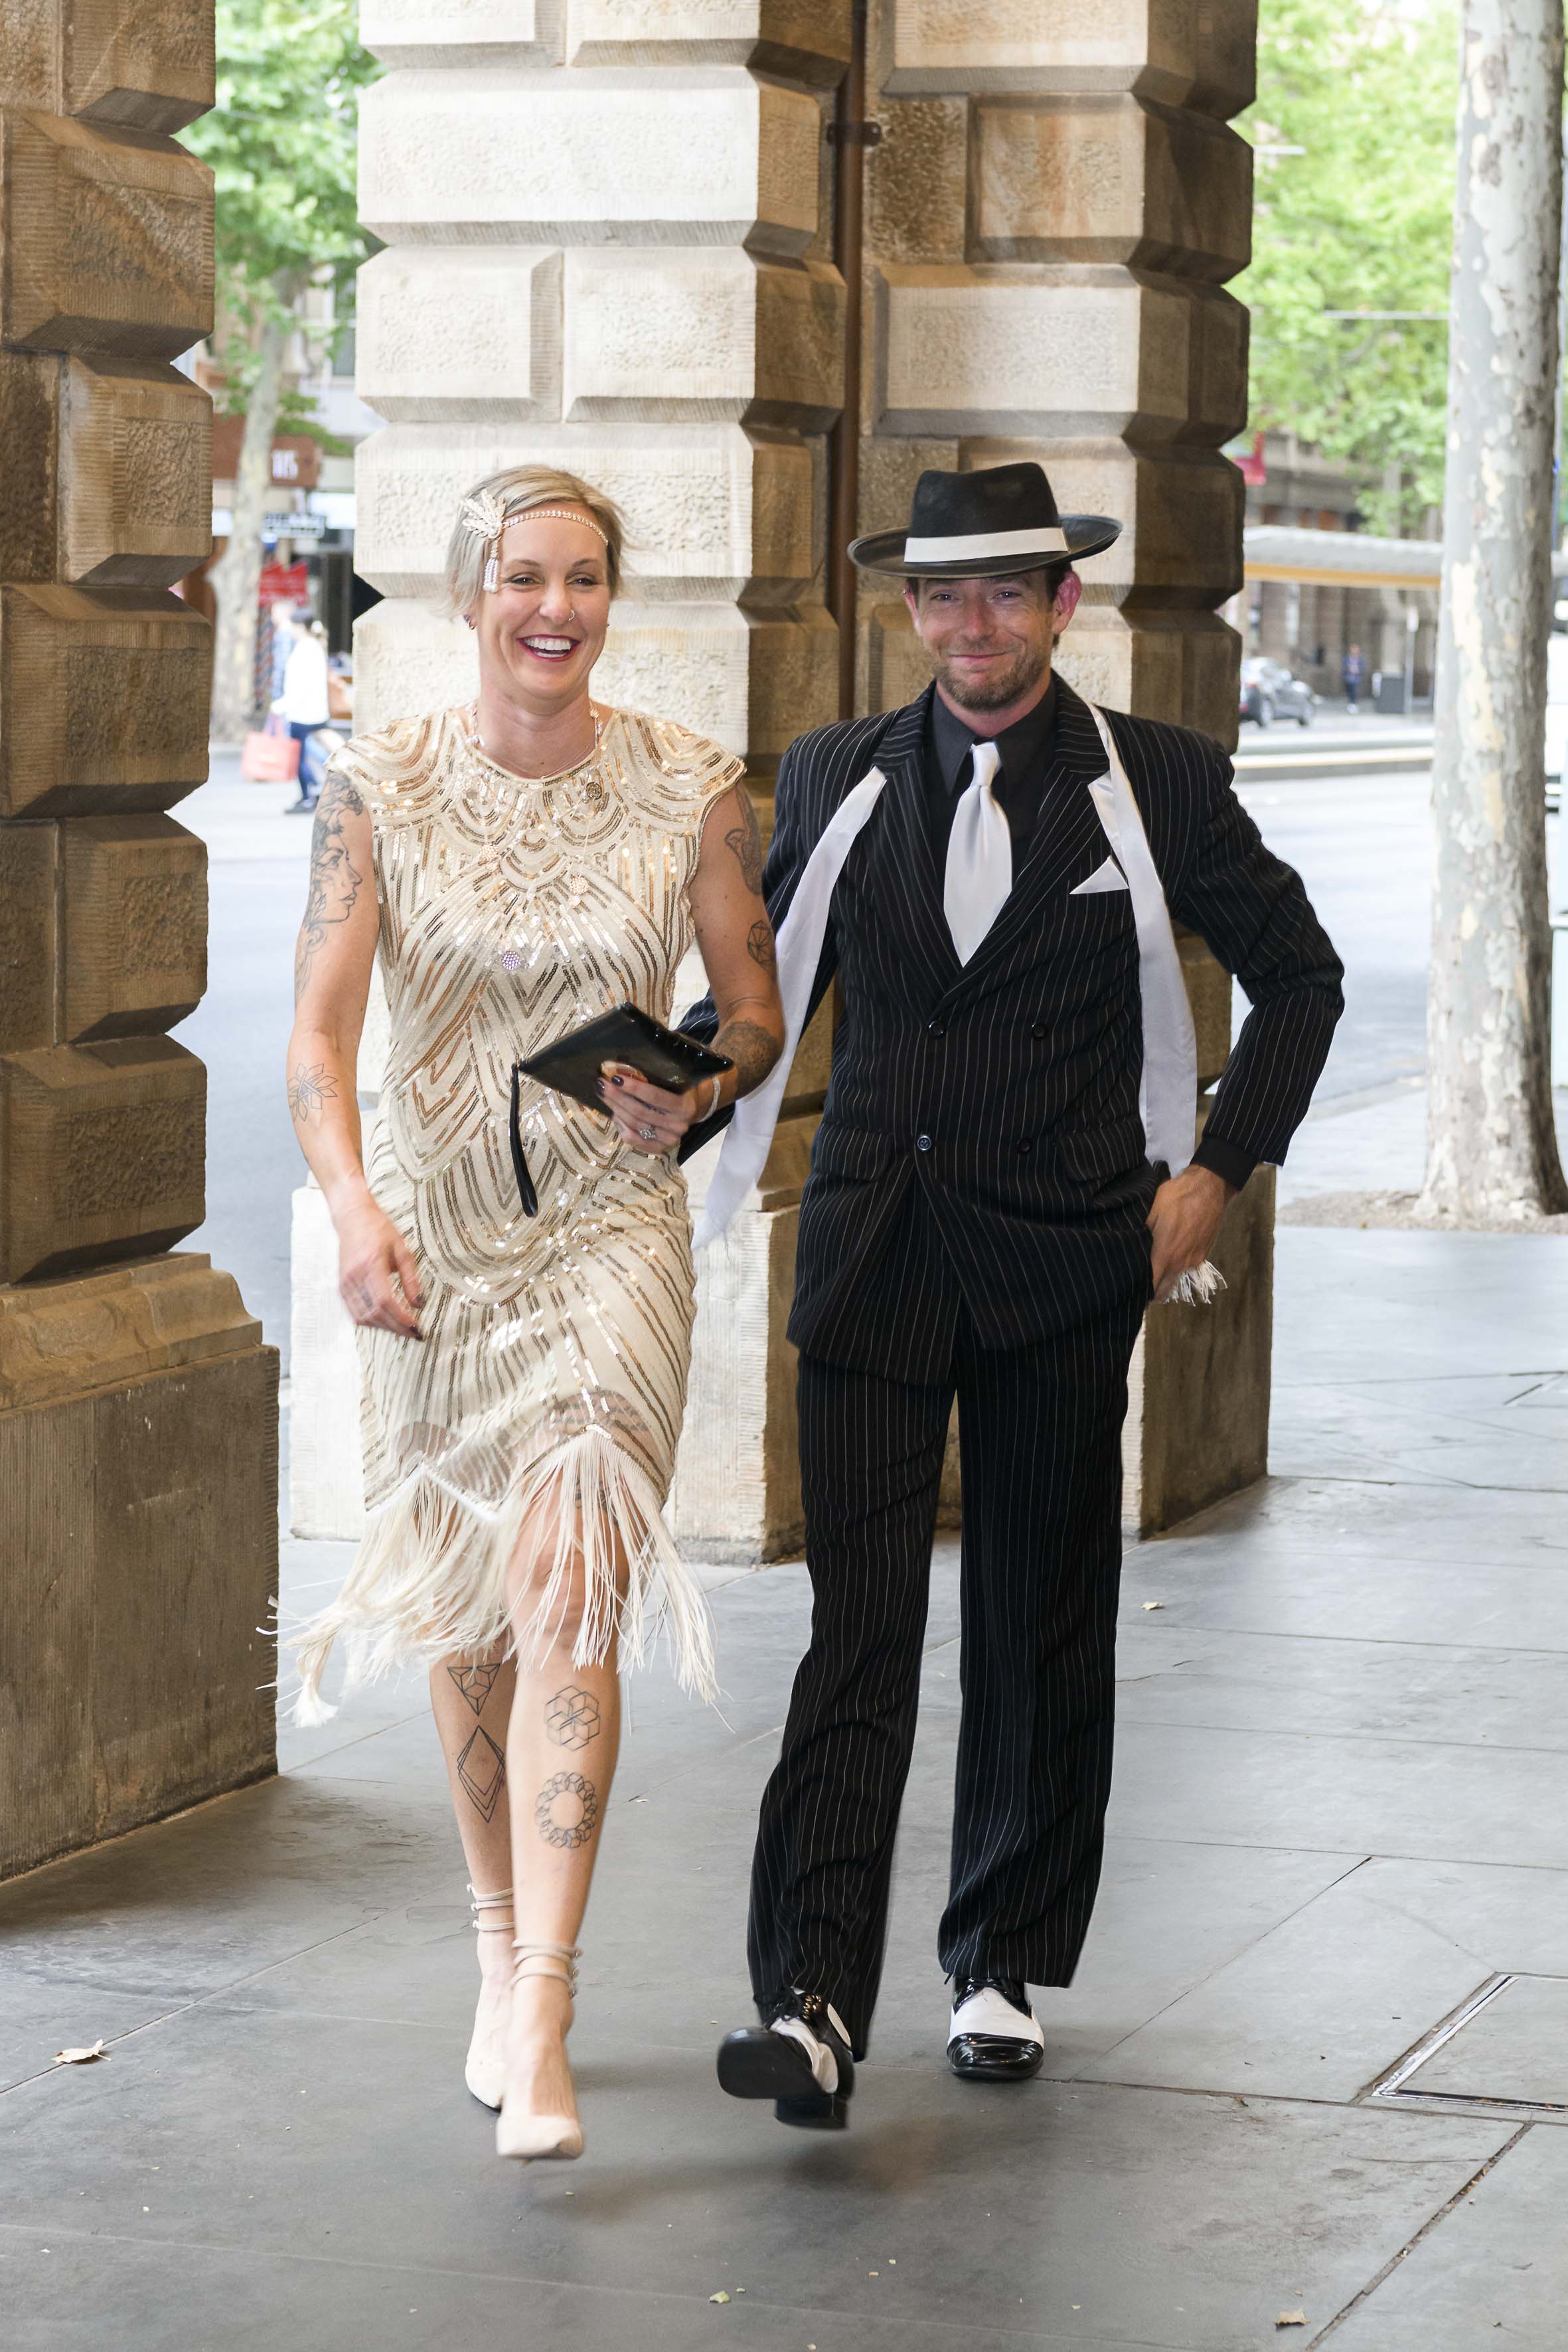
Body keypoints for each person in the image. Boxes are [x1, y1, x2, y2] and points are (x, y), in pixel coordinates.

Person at [680, 461, 1343, 2128]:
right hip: (875, 1256)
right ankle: (808, 1996)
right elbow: (759, 989)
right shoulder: (834, 772)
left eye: (1001, 591)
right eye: (938, 593)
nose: (967, 623)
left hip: (1064, 1259)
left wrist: (1215, 1167)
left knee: (1040, 1623)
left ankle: (998, 1961)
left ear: (1062, 602)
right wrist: (669, 1081)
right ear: (908, 610)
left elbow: (1300, 978)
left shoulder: (1157, 783)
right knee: (856, 1632)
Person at [284, 466, 785, 2163]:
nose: (553, 608)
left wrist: (699, 1079)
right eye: (522, 577)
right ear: (468, 594)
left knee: (570, 1576)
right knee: (468, 1612)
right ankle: (495, 1948)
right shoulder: (380, 785)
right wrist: (354, 1212)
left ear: (609, 597)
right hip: (434, 1244)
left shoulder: (690, 785)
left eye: (581, 577)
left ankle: (551, 2002)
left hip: (608, 1232)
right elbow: (315, 1038)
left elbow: (755, 1004)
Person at [279, 612, 334, 812]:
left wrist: (282, 706)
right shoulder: (315, 646)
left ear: (301, 626)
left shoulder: (305, 648)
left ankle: (307, 796)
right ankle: (314, 789)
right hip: (314, 710)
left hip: (302, 712)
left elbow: (299, 684)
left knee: (298, 757)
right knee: (307, 752)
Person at [1342, 642, 1364, 712]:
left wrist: (1357, 670)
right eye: (1353, 649)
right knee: (1349, 691)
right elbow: (1344, 668)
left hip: (1356, 678)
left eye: (1356, 649)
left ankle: (1354, 704)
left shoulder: (1360, 659)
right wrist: (1349, 669)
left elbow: (1362, 668)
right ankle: (1351, 704)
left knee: (1354, 691)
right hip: (1348, 678)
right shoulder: (1347, 658)